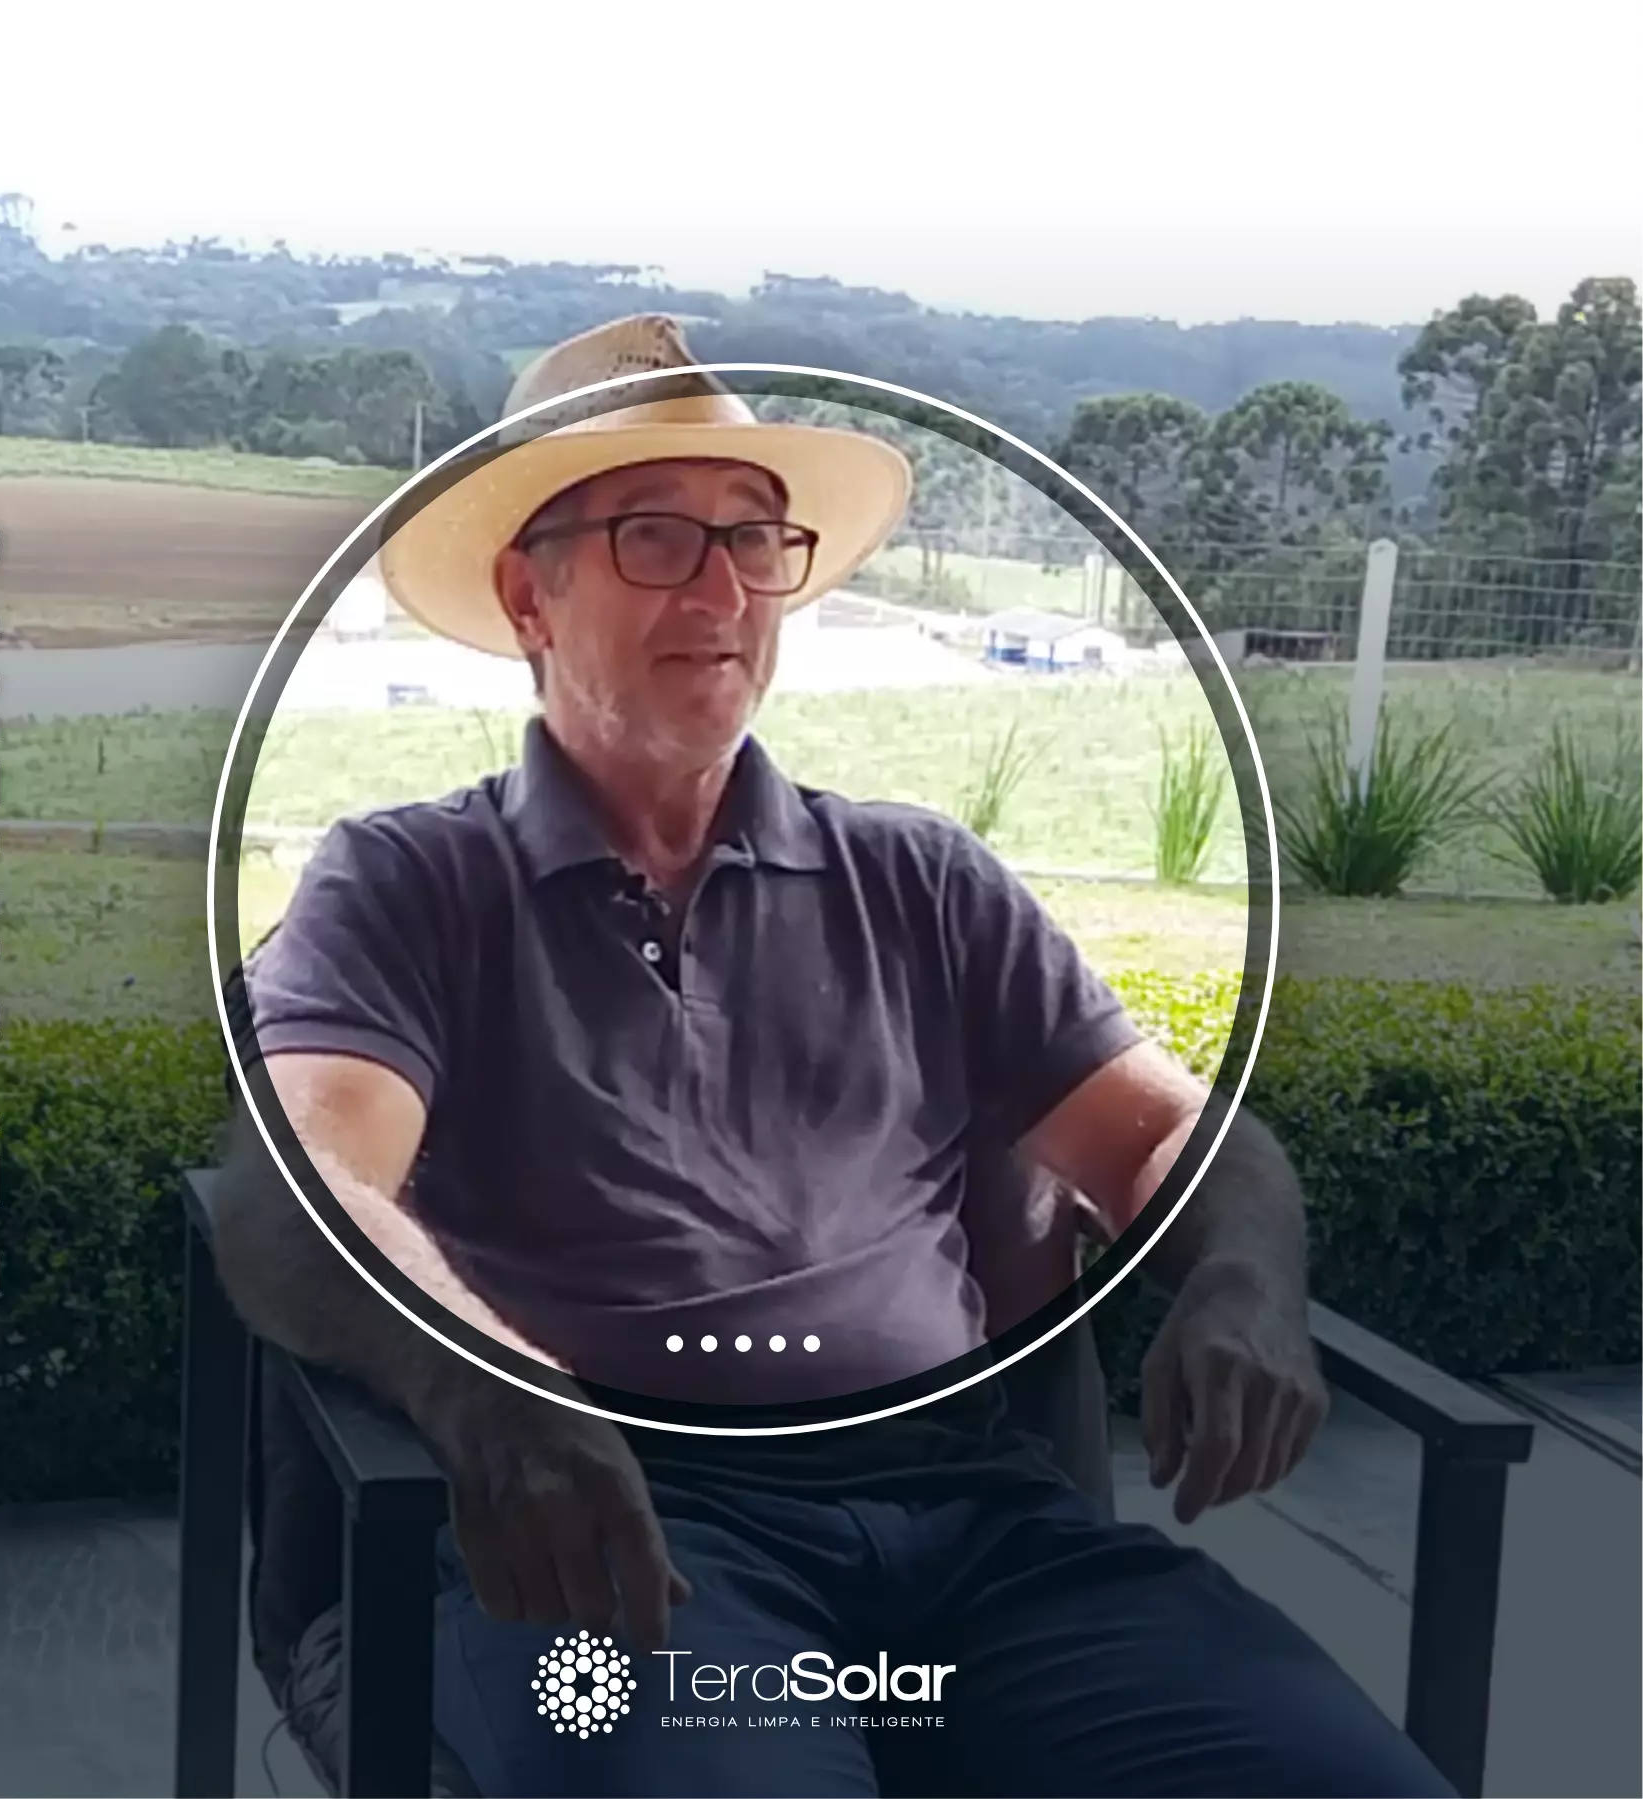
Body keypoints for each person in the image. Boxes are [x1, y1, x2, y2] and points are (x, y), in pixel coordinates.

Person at [213, 315, 1452, 1796]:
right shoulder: (410, 883)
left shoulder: (919, 879)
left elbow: (1171, 1136)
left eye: (755, 538)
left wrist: (1247, 1279)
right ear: (527, 594)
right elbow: (291, 1187)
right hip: (630, 1550)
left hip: (985, 1536)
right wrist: (491, 1399)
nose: (725, 590)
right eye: (657, 536)